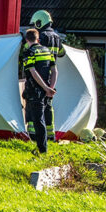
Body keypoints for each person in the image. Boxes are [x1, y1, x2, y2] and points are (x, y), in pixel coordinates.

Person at [25, 10, 66, 143]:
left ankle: (33, 135)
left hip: (38, 76)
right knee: (48, 107)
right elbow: (61, 53)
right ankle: (50, 135)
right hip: (50, 78)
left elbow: (30, 47)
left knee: (33, 106)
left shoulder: (41, 37)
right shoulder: (57, 37)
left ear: (39, 22)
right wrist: (51, 88)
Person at [22, 29, 57, 154]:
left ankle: (42, 150)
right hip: (46, 91)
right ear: (38, 39)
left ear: (27, 40)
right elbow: (54, 71)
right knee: (41, 119)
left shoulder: (29, 52)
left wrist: (46, 88)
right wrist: (50, 88)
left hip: (34, 90)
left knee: (38, 121)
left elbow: (33, 72)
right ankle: (41, 147)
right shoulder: (47, 51)